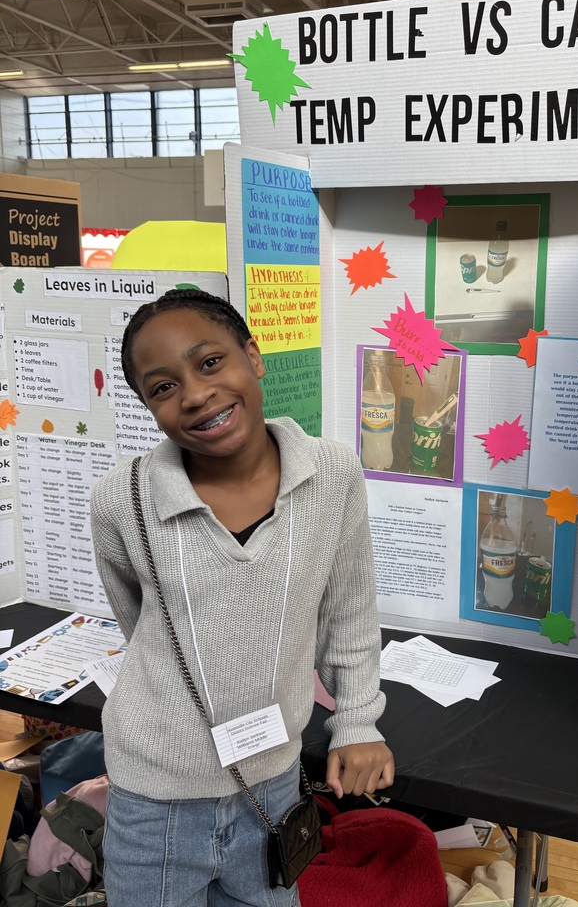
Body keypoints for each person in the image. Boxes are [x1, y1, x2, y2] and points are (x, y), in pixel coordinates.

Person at [90, 288, 395, 907]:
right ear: (148, 406)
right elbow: (141, 621)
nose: (195, 394)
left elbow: (348, 611)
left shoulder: (333, 475)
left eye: (210, 362)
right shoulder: (121, 500)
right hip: (155, 799)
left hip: (273, 784)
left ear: (253, 356)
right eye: (163, 387)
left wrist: (358, 721)